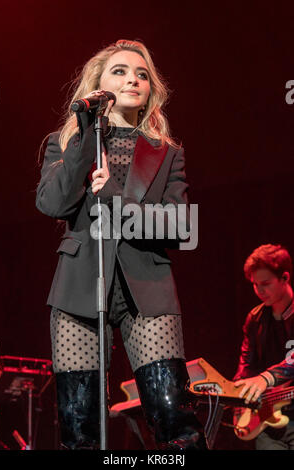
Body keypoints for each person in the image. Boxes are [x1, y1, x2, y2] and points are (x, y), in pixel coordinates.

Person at [36, 39, 205, 450]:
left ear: (151, 90)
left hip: (147, 289)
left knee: (171, 413)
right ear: (99, 85)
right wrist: (85, 135)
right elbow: (53, 203)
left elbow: (182, 226)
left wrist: (114, 198)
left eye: (142, 73)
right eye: (120, 71)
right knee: (79, 425)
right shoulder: (66, 142)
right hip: (79, 290)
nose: (132, 78)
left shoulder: (166, 154)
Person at [233, 244, 294, 449]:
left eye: (265, 283)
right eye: (255, 284)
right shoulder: (255, 319)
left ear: (285, 278)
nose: (259, 291)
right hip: (268, 420)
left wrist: (266, 378)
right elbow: (246, 365)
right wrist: (238, 402)